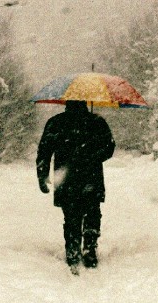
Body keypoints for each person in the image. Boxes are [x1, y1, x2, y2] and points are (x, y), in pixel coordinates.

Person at [36, 100, 115, 274]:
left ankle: (72, 251)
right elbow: (109, 147)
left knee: (71, 215)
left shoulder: (56, 122)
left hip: (66, 178)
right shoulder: (96, 122)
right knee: (92, 213)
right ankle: (89, 250)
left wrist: (42, 175)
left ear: (66, 102)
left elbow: (44, 150)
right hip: (91, 177)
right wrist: (92, 155)